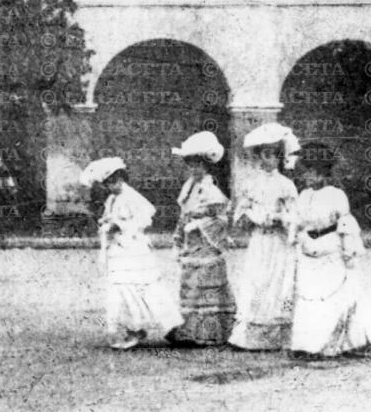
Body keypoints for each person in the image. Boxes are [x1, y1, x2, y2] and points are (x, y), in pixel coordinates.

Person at [290, 142, 371, 359]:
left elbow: (346, 225)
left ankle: (336, 344)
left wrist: (349, 252)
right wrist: (297, 234)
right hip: (309, 251)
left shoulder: (336, 195)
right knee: (309, 297)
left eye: (312, 172)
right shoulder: (303, 195)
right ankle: (306, 344)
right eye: (306, 172)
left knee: (335, 295)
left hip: (331, 250)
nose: (308, 177)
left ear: (323, 171)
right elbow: (299, 221)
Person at [80, 157, 183, 350]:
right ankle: (134, 328)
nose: (112, 186)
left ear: (122, 178)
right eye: (108, 183)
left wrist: (121, 225)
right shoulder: (112, 199)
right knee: (121, 290)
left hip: (133, 248)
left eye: (115, 180)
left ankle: (171, 326)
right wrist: (107, 223)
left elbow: (145, 218)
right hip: (119, 250)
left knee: (146, 286)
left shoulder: (132, 196)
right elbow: (109, 218)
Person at [228, 122, 300, 351]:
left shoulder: (286, 185)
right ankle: (249, 337)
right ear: (259, 156)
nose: (267, 160)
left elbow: (294, 216)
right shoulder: (251, 183)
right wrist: (249, 214)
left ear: (280, 158)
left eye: (272, 155)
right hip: (259, 240)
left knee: (276, 281)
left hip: (277, 242)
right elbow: (240, 214)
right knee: (256, 280)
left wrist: (279, 218)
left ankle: (276, 337)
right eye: (264, 155)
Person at [169, 131, 236, 346]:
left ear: (206, 164)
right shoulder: (189, 187)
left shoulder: (211, 188)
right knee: (190, 284)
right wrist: (178, 237)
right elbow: (184, 213)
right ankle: (189, 329)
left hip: (206, 243)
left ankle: (209, 332)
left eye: (197, 164)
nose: (193, 169)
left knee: (205, 285)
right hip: (192, 242)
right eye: (189, 164)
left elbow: (221, 218)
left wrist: (200, 222)